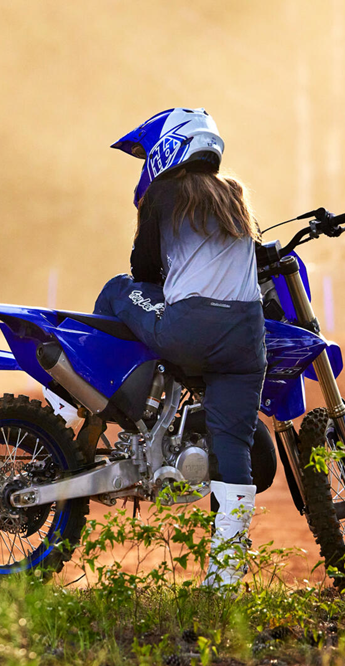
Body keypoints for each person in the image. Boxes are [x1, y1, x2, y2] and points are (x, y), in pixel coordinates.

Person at [95, 108, 267, 587]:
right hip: (246, 341)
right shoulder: (236, 196)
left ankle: (80, 412)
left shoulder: (165, 193)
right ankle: (225, 578)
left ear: (168, 147)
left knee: (116, 289)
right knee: (234, 450)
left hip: (189, 329)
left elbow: (144, 271)